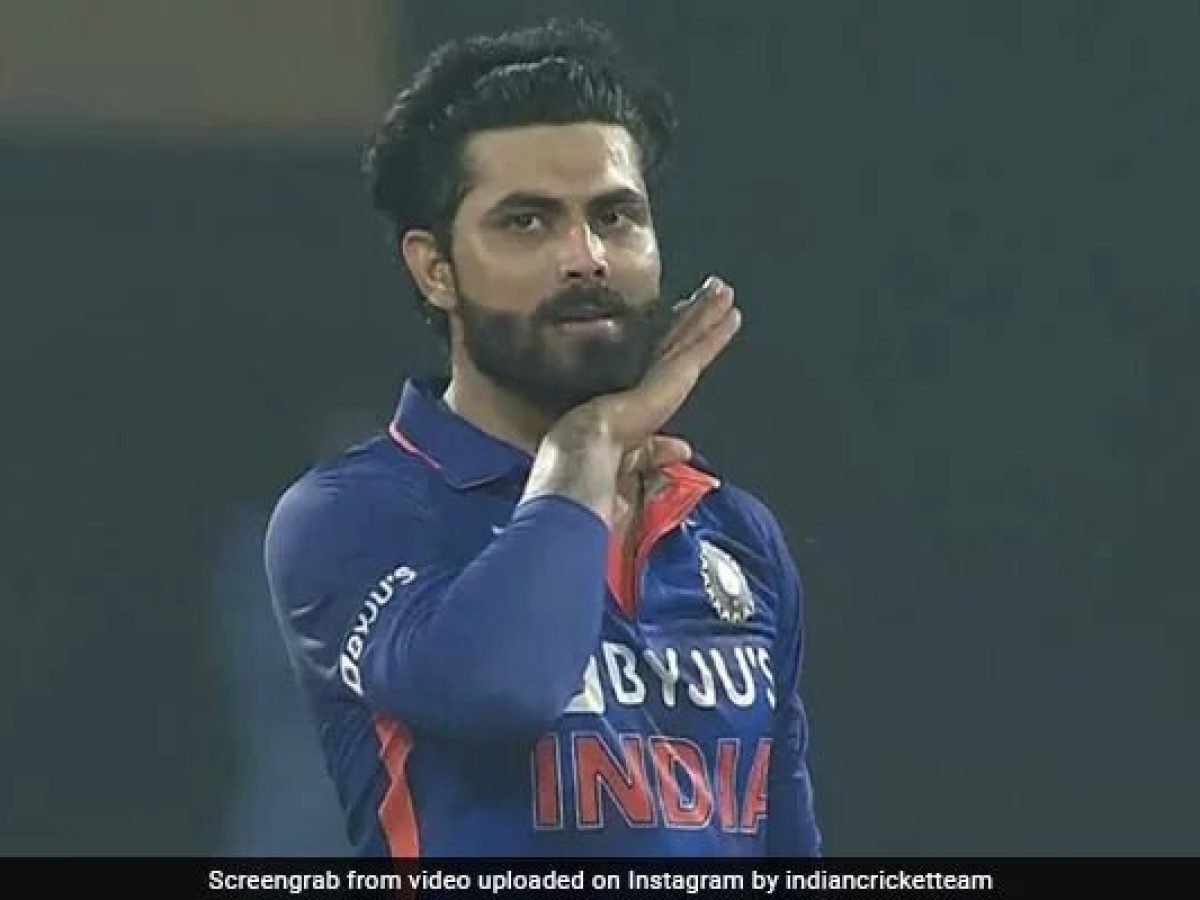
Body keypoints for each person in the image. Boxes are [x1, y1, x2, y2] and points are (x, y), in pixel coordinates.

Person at [264, 18, 821, 857]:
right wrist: (586, 444)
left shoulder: (732, 532)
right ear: (435, 269)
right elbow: (502, 688)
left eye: (616, 216)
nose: (586, 257)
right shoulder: (354, 516)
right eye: (527, 222)